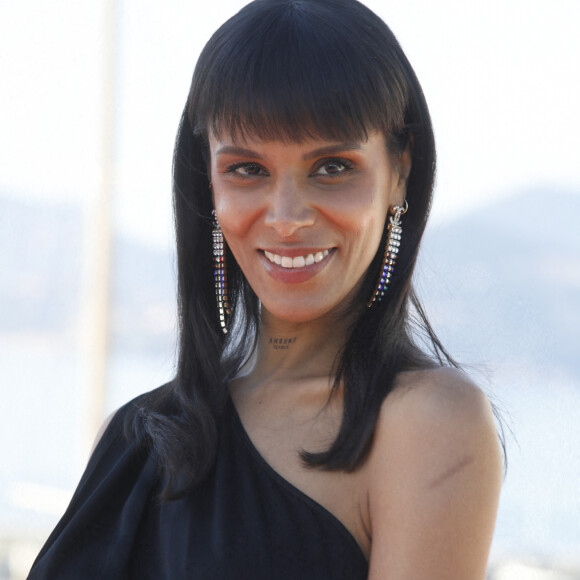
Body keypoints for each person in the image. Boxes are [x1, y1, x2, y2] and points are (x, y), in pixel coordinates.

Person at [29, 0, 503, 578]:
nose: (286, 217)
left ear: (399, 169)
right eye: (248, 169)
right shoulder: (135, 439)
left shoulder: (428, 424)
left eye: (332, 167)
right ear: (207, 182)